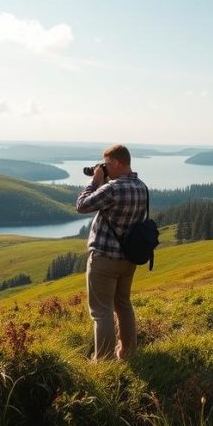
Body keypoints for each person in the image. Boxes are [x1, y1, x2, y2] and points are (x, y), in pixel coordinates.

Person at [76, 144, 148, 361]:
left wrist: (95, 181)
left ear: (116, 163)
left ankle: (105, 361)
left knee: (101, 312)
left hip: (105, 258)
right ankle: (128, 353)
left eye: (106, 164)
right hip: (128, 259)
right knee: (123, 305)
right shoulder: (141, 186)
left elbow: (82, 205)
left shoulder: (111, 189)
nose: (104, 168)